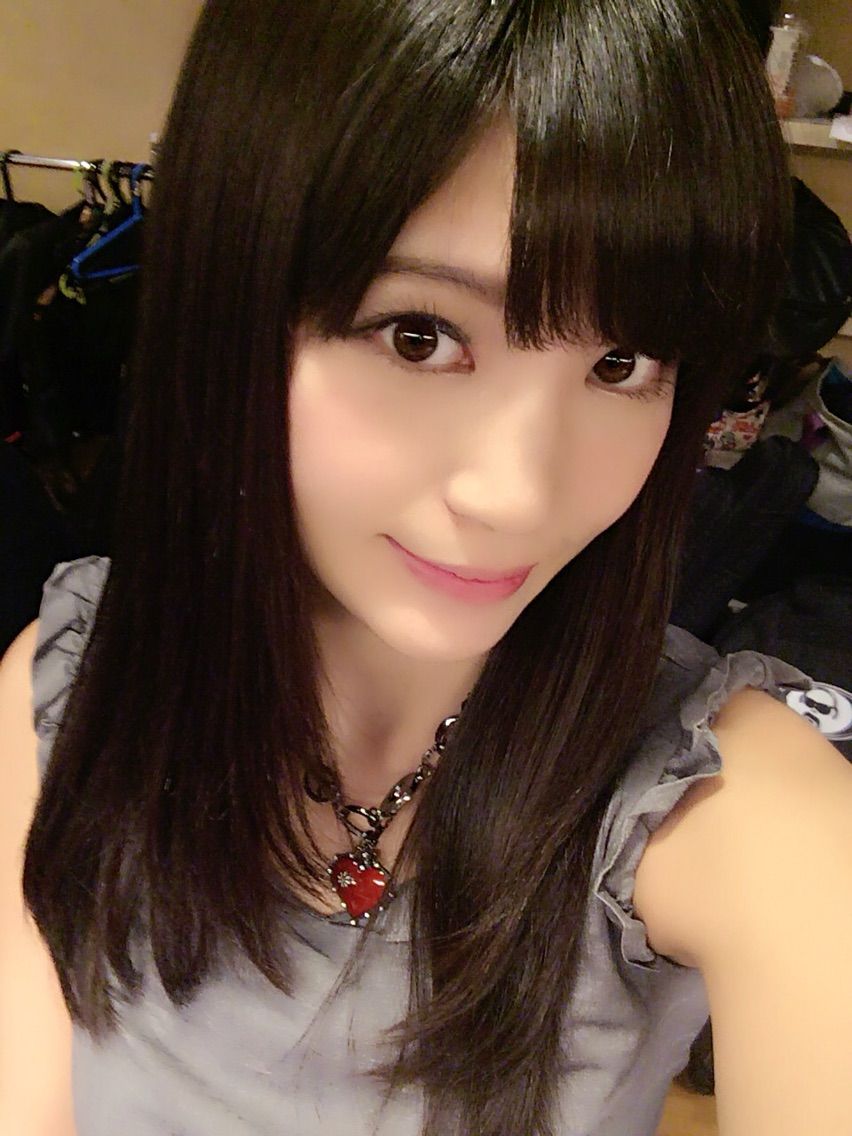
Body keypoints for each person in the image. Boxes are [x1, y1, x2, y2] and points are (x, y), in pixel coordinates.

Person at [1, 2, 850, 1134]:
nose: (520, 492)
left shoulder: (730, 805)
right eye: (420, 336)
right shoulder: (73, 687)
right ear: (232, 309)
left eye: (621, 361)